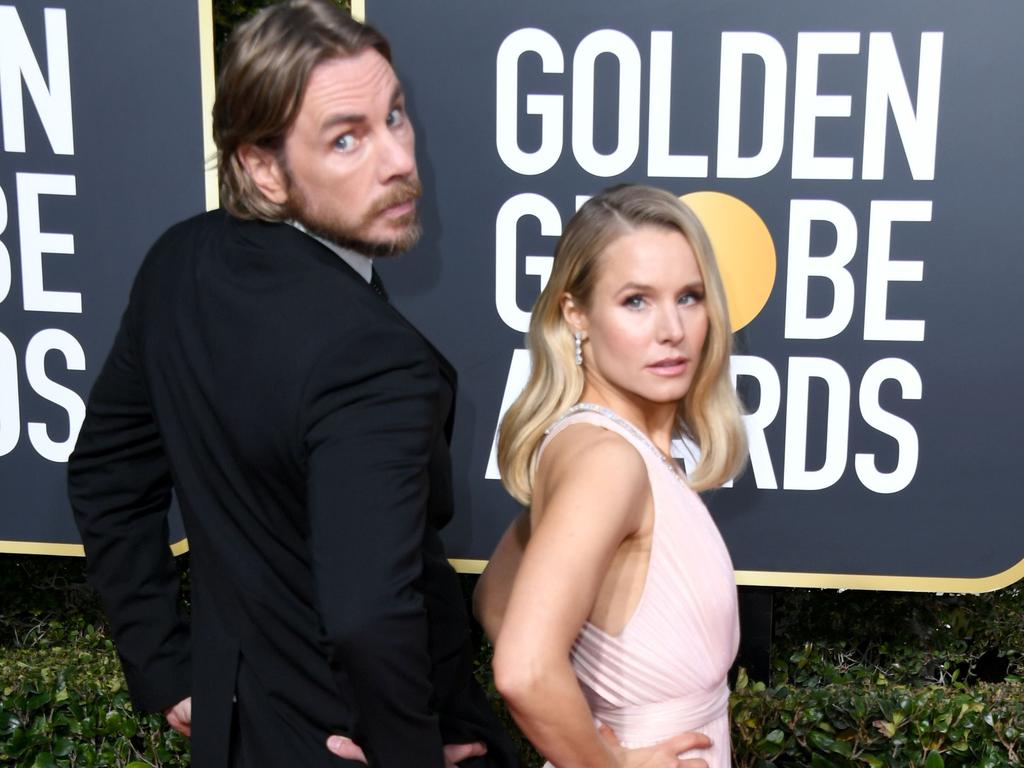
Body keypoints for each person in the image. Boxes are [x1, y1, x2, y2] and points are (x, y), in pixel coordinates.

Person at [67, 2, 518, 766]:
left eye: (396, 117)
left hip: (235, 734)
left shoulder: (181, 261)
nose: (399, 159)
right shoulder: (373, 360)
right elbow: (369, 617)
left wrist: (166, 666)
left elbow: (108, 476)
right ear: (263, 168)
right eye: (347, 138)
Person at [474, 184, 748, 768]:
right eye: (636, 301)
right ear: (576, 314)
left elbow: (496, 600)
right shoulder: (608, 462)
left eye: (690, 296)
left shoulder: (600, 446)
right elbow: (524, 669)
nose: (672, 329)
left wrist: (600, 719)